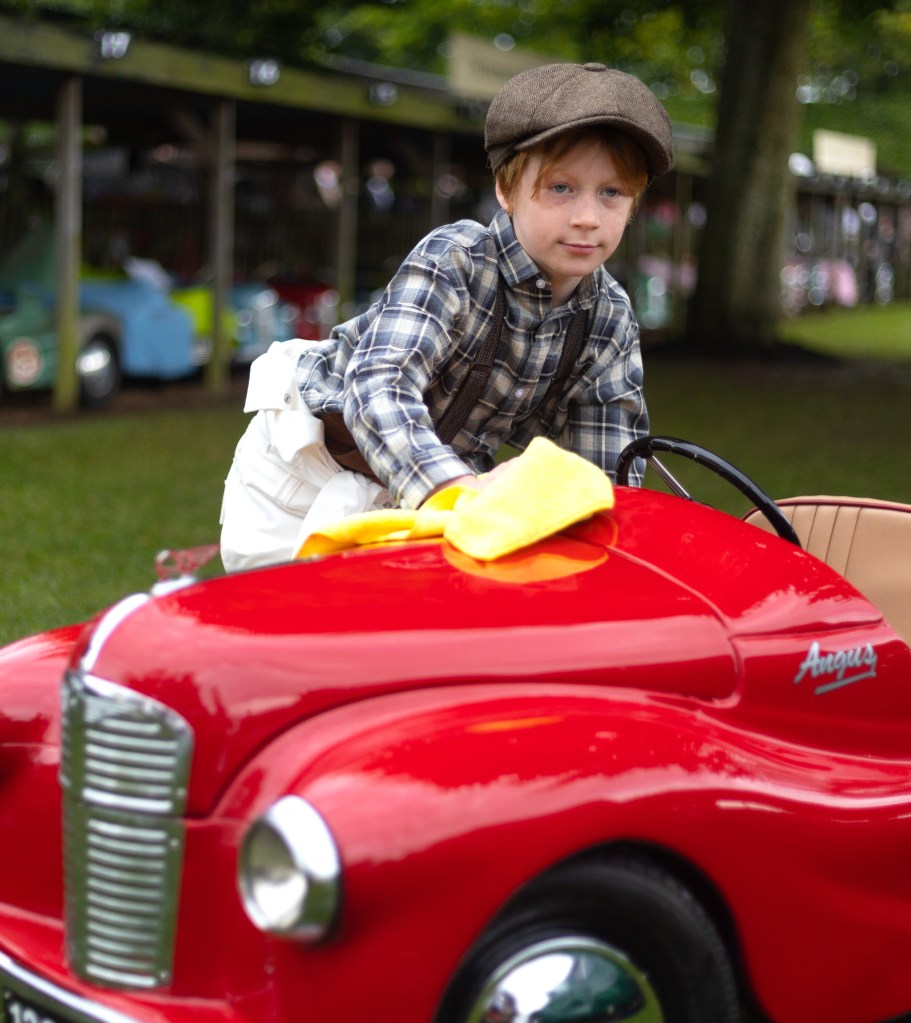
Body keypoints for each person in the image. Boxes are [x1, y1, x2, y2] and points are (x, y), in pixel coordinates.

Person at [220, 61, 674, 572]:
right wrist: (457, 490)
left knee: (410, 639)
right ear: (506, 190)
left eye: (611, 193)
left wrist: (601, 538)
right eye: (561, 188)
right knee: (287, 630)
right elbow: (380, 384)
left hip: (442, 497)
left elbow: (606, 464)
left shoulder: (608, 316)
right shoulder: (455, 258)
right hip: (307, 472)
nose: (587, 217)